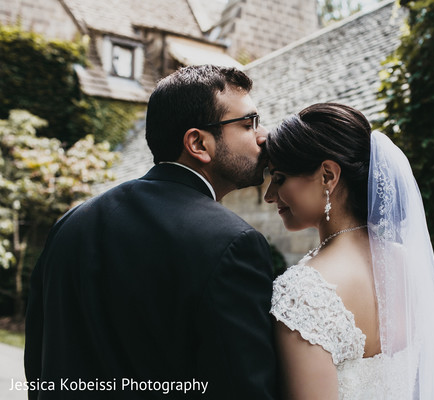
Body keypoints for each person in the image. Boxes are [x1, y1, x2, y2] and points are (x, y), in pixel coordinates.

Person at [25, 65, 279, 399]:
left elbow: (39, 366)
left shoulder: (70, 223)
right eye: (248, 124)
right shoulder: (233, 244)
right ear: (198, 143)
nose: (263, 136)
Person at [264, 103, 434, 399]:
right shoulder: (407, 263)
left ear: (327, 176)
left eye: (279, 179)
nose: (268, 196)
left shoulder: (302, 293)